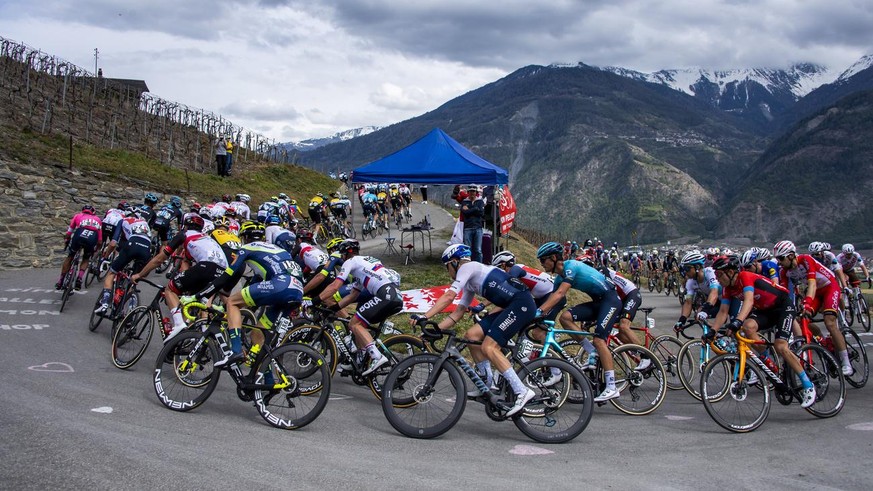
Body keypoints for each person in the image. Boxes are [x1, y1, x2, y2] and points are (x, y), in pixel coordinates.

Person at [412, 244, 537, 416]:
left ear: (454, 262)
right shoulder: (471, 282)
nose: (447, 271)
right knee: (472, 335)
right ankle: (487, 384)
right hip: (511, 305)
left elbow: (449, 296)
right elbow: (457, 313)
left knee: (489, 347)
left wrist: (424, 316)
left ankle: (522, 391)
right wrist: (436, 330)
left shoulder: (468, 267)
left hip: (521, 304)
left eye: (447, 266)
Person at [707, 255, 816, 408]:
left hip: (783, 306)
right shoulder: (728, 289)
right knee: (748, 327)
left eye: (719, 275)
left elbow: (749, 300)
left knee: (780, 346)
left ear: (731, 272)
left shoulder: (745, 277)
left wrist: (737, 321)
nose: (718, 279)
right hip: (765, 310)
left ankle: (807, 384)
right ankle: (767, 361)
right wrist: (712, 331)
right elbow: (723, 311)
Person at [535, 241, 624, 402]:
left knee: (599, 339)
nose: (541, 264)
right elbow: (555, 301)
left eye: (543, 260)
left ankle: (612, 387)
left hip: (610, 300)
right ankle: (591, 351)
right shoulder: (558, 279)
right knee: (565, 318)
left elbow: (561, 294)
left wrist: (539, 311)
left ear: (554, 258)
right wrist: (542, 318)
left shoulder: (571, 267)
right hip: (598, 302)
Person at [132, 214, 228, 341]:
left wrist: (140, 274)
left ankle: (178, 324)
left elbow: (159, 259)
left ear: (185, 226)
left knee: (170, 289)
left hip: (207, 267)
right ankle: (192, 338)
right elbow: (186, 264)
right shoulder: (207, 238)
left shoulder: (184, 235)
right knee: (193, 302)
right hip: (223, 272)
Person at [318, 240, 403, 376]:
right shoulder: (363, 267)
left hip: (385, 294)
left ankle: (377, 357)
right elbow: (353, 296)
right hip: (394, 296)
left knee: (354, 324)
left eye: (342, 254)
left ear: (346, 253)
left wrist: (315, 300)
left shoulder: (351, 262)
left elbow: (335, 286)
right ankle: (360, 360)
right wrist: (334, 308)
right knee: (359, 324)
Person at [773, 240, 854, 376]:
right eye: (777, 259)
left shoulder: (806, 259)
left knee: (829, 322)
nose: (779, 262)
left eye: (781, 258)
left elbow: (812, 284)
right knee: (802, 321)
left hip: (829, 287)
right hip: (816, 292)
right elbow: (785, 293)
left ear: (791, 255)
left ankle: (846, 362)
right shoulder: (785, 272)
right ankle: (823, 342)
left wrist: (807, 302)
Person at [674, 250, 721, 333]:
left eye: (687, 268)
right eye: (684, 268)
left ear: (698, 267)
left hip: (729, 299)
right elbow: (688, 302)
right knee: (699, 313)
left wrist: (706, 310)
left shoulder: (710, 272)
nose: (685, 272)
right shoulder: (691, 282)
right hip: (718, 302)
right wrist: (681, 320)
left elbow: (714, 292)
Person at [57, 205, 103, 290]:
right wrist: (96, 249)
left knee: (70, 256)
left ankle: (60, 281)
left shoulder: (78, 216)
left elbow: (69, 232)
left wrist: (66, 240)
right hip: (92, 237)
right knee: (86, 258)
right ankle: (79, 278)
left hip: (79, 234)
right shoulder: (98, 220)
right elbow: (100, 241)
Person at [460, 186, 485, 263]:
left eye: (473, 191)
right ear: (468, 192)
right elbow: (465, 213)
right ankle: (467, 266)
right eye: (470, 191)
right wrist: (476, 209)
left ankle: (479, 267)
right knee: (467, 249)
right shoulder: (464, 201)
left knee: (478, 250)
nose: (472, 193)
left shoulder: (480, 201)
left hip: (478, 228)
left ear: (476, 193)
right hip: (468, 228)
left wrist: (471, 209)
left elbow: (481, 213)